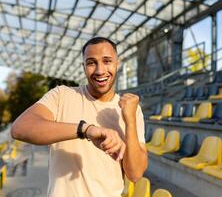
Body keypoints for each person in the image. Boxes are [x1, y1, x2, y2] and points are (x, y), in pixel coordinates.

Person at [11, 37, 148, 197]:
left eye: (107, 61)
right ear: (83, 67)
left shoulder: (131, 109)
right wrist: (85, 129)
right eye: (91, 62)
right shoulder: (62, 95)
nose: (100, 70)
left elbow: (135, 174)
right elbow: (20, 128)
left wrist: (129, 120)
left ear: (118, 63)